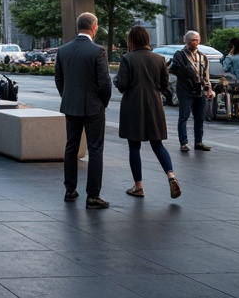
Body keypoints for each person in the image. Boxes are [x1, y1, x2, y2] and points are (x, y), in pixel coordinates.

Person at [54, 12, 113, 207]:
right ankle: (93, 195)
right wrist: (103, 102)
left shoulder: (63, 50)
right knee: (95, 149)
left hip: (71, 105)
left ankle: (70, 190)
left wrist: (68, 97)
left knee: (71, 147)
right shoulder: (98, 51)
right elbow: (104, 83)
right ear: (94, 27)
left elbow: (59, 80)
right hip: (93, 107)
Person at [116, 26, 180, 199]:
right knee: (157, 144)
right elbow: (164, 85)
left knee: (134, 146)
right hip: (154, 105)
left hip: (133, 105)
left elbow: (121, 84)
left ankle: (139, 186)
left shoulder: (127, 58)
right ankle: (171, 175)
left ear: (131, 40)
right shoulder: (159, 59)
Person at [171, 30, 215, 152]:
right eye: (193, 40)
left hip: (199, 90)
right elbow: (174, 69)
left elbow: (206, 75)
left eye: (197, 39)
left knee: (200, 117)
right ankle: (183, 142)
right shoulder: (180, 55)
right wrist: (186, 73)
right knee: (184, 116)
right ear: (187, 41)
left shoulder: (202, 56)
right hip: (185, 90)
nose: (195, 42)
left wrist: (209, 88)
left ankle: (199, 141)